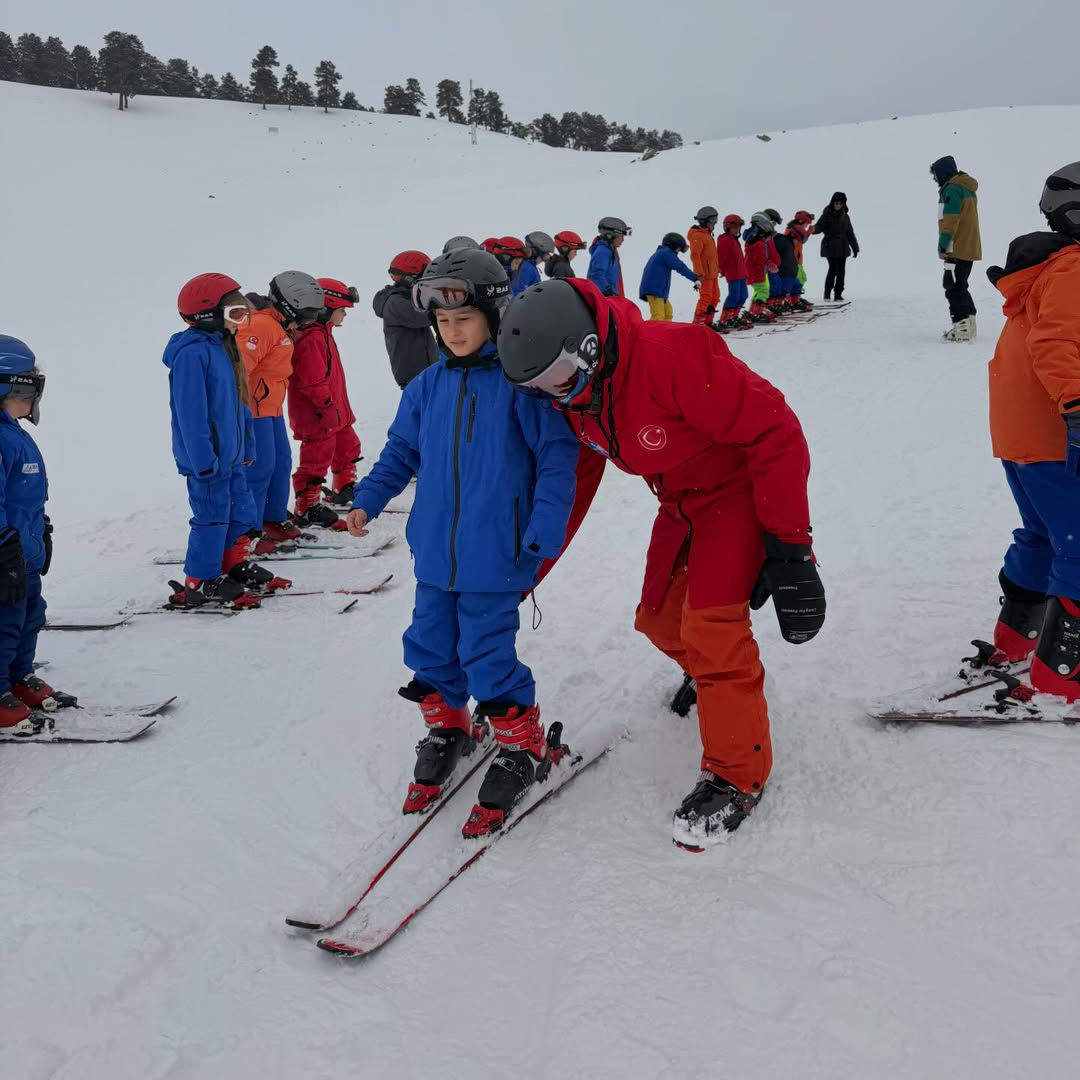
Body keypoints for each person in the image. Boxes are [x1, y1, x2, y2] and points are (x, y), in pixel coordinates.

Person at [498, 278, 825, 851]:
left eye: (558, 377)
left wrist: (791, 547)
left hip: (737, 493)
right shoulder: (577, 398)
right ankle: (716, 682)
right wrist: (527, 570)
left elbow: (775, 430)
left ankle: (736, 775)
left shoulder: (670, 357)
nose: (555, 395)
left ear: (588, 348)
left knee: (712, 628)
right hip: (681, 503)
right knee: (659, 618)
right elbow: (574, 485)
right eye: (538, 387)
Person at [346, 249, 580, 837]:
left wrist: (546, 528)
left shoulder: (522, 385)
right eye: (443, 322)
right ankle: (450, 725)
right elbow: (401, 452)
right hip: (434, 552)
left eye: (464, 320)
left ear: (494, 317)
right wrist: (368, 498)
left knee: (486, 653)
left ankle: (522, 745)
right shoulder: (426, 386)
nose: (451, 332)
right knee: (428, 645)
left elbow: (557, 459)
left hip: (499, 553)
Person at [982, 161, 1080, 701]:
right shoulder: (1074, 268)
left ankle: (1015, 639)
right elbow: (1057, 343)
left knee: (1044, 535)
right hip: (1055, 431)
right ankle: (1063, 677)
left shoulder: (1045, 269)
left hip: (1022, 432)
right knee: (1078, 544)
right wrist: (1077, 406)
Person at [165, 274, 286, 610]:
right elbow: (190, 413)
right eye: (235, 314)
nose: (241, 322)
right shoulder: (191, 355)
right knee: (212, 516)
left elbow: (240, 403)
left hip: (231, 455)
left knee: (241, 511)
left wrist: (247, 444)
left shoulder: (224, 347)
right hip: (207, 460)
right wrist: (203, 459)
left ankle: (231, 563)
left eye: (243, 313)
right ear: (207, 315)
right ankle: (200, 581)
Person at [0, 335, 60, 734]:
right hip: (6, 552)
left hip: (24, 551)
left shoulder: (14, 432)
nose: (32, 398)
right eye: (26, 389)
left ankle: (18, 677)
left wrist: (42, 529)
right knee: (4, 623)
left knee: (30, 615)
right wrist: (4, 546)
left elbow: (24, 497)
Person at [289, 276, 362, 521]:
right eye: (342, 310)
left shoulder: (324, 333)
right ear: (325, 308)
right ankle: (306, 505)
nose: (345, 315)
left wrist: (338, 409)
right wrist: (327, 406)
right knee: (316, 457)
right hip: (317, 414)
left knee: (348, 445)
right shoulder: (311, 338)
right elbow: (312, 381)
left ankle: (344, 486)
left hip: (335, 409)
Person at [235, 286, 299, 554]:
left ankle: (272, 517)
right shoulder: (260, 324)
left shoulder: (276, 323)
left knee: (281, 462)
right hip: (254, 407)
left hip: (271, 405)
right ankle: (247, 531)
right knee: (259, 468)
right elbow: (240, 367)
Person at [931, 155, 982, 342]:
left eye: (935, 174)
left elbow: (950, 220)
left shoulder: (952, 189)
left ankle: (962, 329)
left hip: (956, 247)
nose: (934, 178)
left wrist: (943, 244)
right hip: (968, 246)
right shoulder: (966, 188)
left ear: (943, 173)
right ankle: (969, 325)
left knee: (953, 287)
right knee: (960, 285)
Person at [373, 250, 437, 389]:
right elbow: (426, 317)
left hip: (426, 371)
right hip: (414, 376)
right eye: (422, 278)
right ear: (409, 279)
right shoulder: (396, 303)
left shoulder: (406, 297)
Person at [639, 232, 699, 320]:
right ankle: (649, 329)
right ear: (673, 246)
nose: (678, 252)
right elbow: (680, 266)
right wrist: (695, 278)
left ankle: (666, 329)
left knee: (667, 313)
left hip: (659, 291)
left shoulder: (662, 253)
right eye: (678, 249)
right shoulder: (666, 253)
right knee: (658, 316)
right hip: (654, 290)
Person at [815, 192, 859, 301]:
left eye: (840, 203)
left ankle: (838, 294)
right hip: (830, 245)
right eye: (836, 203)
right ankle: (827, 293)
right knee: (833, 269)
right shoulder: (826, 215)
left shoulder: (846, 217)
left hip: (843, 246)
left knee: (841, 271)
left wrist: (855, 247)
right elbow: (818, 227)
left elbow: (850, 233)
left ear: (843, 204)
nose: (838, 205)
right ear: (832, 203)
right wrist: (809, 230)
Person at [716, 213, 751, 330]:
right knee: (734, 296)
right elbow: (721, 256)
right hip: (733, 273)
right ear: (727, 228)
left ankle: (733, 316)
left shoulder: (734, 240)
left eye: (738, 228)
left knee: (743, 295)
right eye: (734, 228)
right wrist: (720, 268)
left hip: (741, 273)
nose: (737, 230)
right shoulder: (725, 240)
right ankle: (725, 318)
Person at [688, 207, 720, 325]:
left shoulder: (707, 235)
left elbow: (711, 256)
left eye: (716, 219)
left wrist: (717, 268)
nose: (714, 223)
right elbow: (695, 256)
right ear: (703, 221)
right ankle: (698, 324)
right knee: (706, 298)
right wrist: (699, 274)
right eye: (712, 220)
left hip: (713, 273)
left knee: (715, 297)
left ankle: (707, 323)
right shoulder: (697, 236)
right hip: (704, 275)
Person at [744, 213, 777, 323]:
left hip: (754, 272)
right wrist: (770, 265)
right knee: (763, 291)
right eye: (769, 237)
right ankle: (756, 312)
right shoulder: (759, 244)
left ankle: (753, 311)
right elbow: (760, 260)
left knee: (760, 290)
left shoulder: (754, 242)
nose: (769, 239)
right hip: (756, 272)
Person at [587, 216, 631, 297]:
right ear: (610, 236)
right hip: (603, 296)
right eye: (621, 236)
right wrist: (607, 291)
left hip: (609, 296)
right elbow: (596, 274)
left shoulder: (610, 252)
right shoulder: (602, 252)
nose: (623, 240)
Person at [776, 223, 812, 312]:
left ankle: (794, 302)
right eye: (797, 240)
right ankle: (778, 304)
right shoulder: (782, 241)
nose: (797, 242)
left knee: (797, 285)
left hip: (791, 271)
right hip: (784, 272)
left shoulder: (790, 243)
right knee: (784, 290)